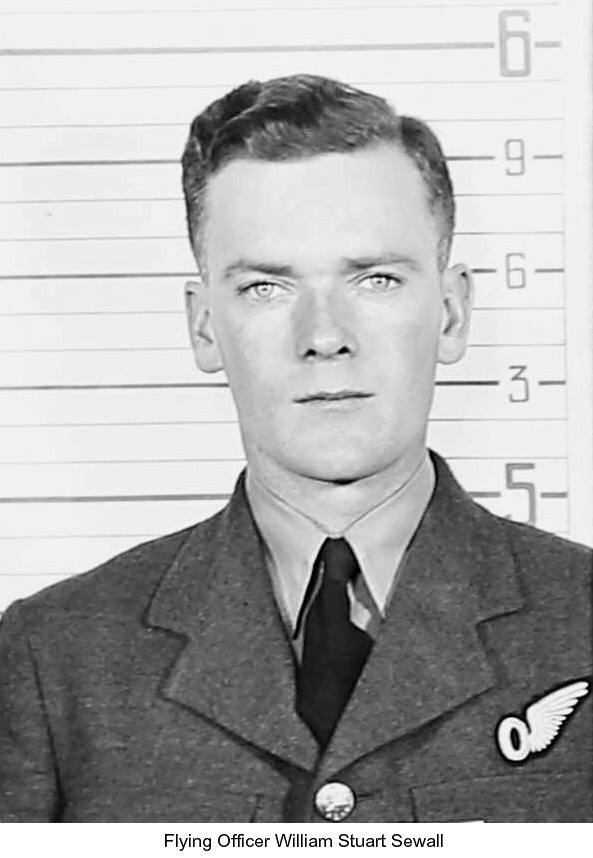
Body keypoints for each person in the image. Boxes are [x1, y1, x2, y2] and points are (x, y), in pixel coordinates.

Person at [0, 74, 591, 824]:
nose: (324, 336)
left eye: (375, 279)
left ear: (451, 312)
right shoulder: (53, 659)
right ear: (203, 326)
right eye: (265, 288)